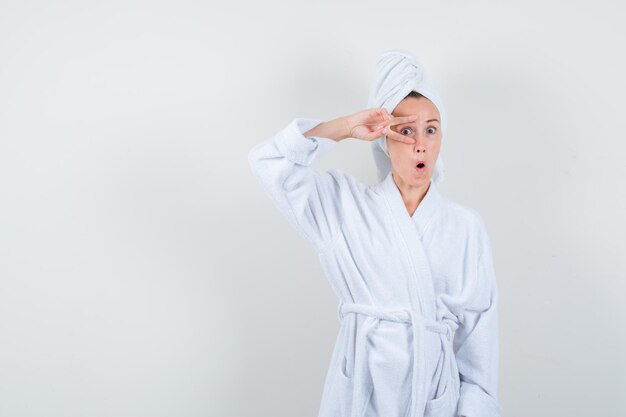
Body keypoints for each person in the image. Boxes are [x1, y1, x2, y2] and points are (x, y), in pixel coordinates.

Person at [247, 50, 502, 417]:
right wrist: (346, 127)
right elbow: (269, 162)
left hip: (433, 394)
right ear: (384, 137)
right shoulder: (344, 205)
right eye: (405, 130)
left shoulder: (465, 226)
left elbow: (479, 345)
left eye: (431, 129)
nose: (420, 144)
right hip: (359, 388)